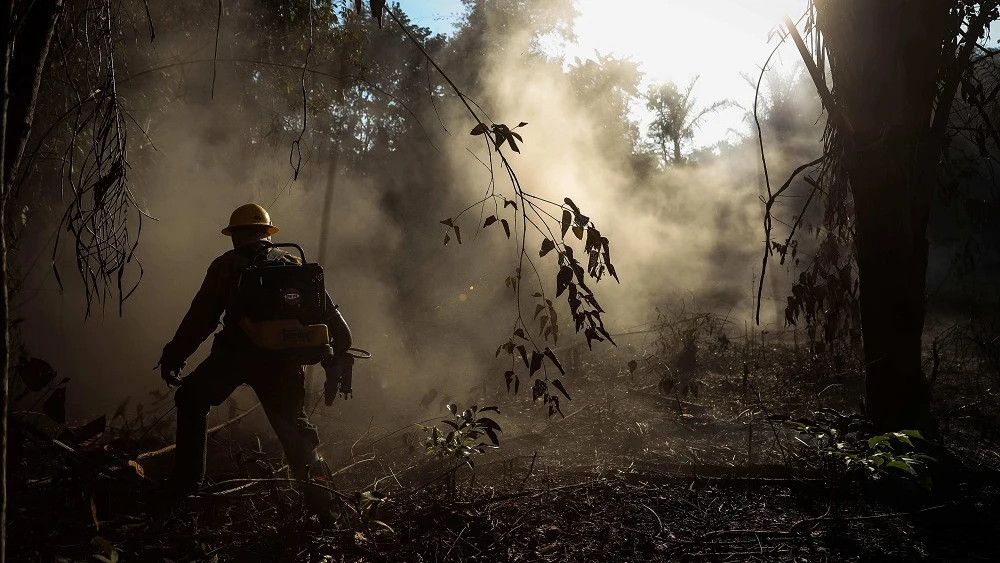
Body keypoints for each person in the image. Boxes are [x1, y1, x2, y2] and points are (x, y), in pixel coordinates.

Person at [156, 203, 351, 523]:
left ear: (235, 236)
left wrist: (175, 356)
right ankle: (328, 512)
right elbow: (332, 322)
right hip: (285, 364)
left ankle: (186, 484)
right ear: (268, 234)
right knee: (297, 434)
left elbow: (202, 317)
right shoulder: (293, 263)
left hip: (235, 358)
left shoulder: (227, 265)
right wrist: (337, 358)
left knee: (191, 398)